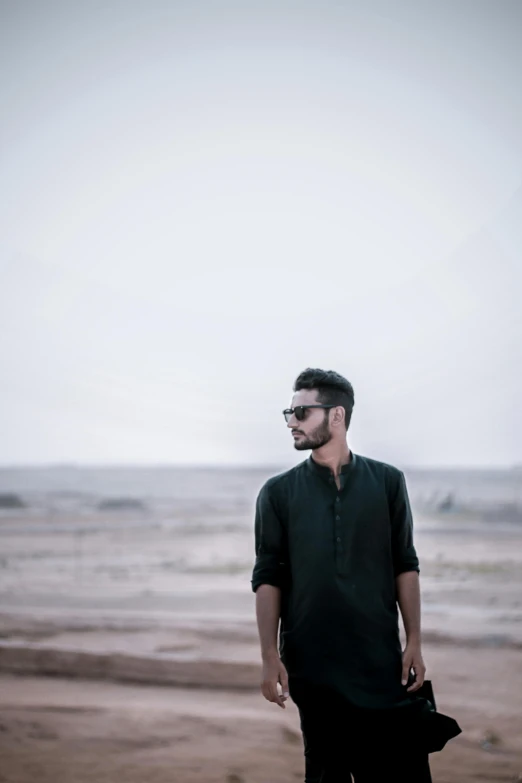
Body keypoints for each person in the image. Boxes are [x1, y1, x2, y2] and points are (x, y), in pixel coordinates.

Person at [251, 368, 460, 782]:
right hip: (312, 664)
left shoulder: (386, 482)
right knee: (328, 772)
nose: (291, 421)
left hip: (379, 658)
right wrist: (269, 656)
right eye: (288, 413)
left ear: (336, 416)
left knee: (402, 769)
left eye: (301, 412)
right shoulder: (277, 493)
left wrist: (414, 639)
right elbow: (268, 577)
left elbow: (405, 563)